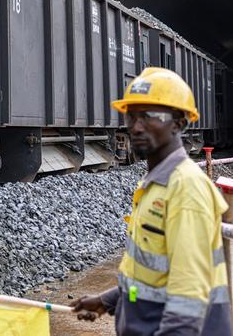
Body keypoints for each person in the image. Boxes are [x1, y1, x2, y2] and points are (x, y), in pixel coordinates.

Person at [71, 67, 231, 335]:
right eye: (130, 116)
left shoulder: (185, 188)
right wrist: (108, 300)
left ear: (179, 123)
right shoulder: (155, 183)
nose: (135, 126)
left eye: (149, 116)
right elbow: (152, 272)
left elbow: (189, 299)